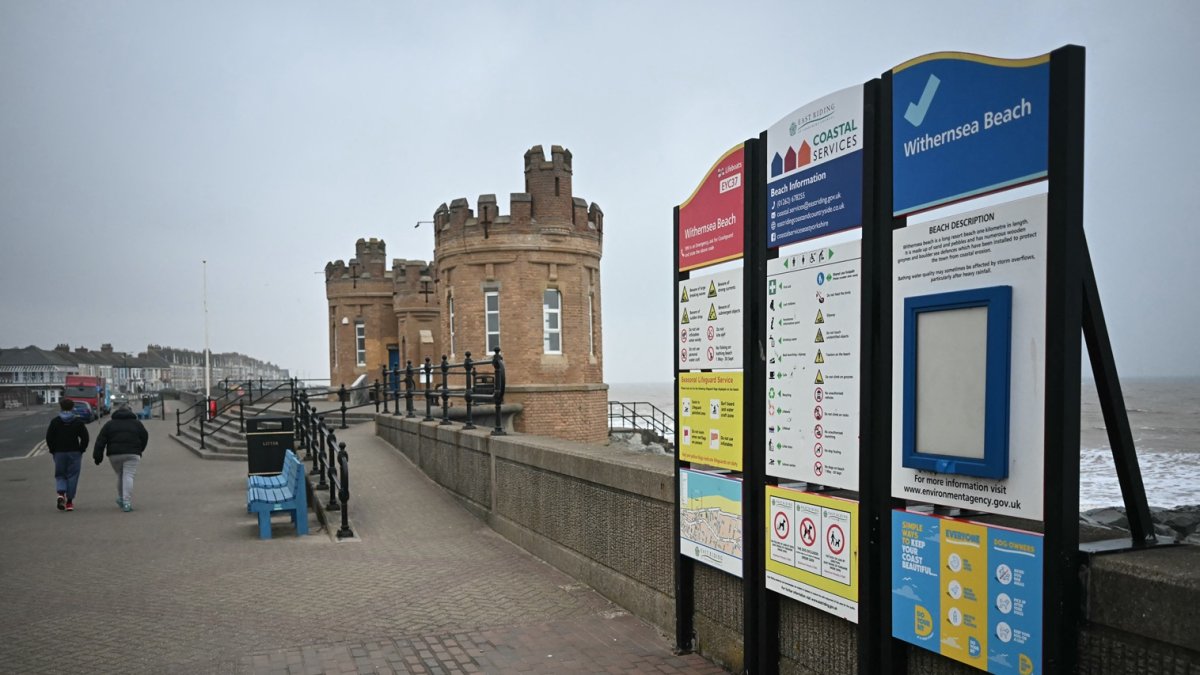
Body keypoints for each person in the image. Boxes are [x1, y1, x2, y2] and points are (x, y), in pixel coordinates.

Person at [92, 402, 148, 512]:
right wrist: (140, 449)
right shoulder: (137, 423)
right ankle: (126, 502)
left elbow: (101, 441)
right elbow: (145, 436)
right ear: (130, 411)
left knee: (120, 475)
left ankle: (122, 498)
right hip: (132, 453)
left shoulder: (109, 424)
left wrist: (97, 456)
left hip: (114, 454)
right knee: (128, 476)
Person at [46, 397, 89, 511]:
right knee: (72, 476)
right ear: (72, 407)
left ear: (61, 407)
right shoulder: (77, 422)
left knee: (60, 475)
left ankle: (61, 494)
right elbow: (85, 438)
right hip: (74, 452)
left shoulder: (55, 421)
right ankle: (69, 502)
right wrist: (81, 449)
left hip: (59, 452)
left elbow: (49, 438)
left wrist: (52, 449)